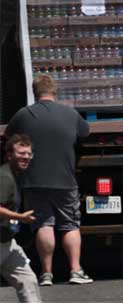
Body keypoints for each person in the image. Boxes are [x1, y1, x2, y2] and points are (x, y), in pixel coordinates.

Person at [4, 75, 92, 286]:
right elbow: (85, 132)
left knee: (43, 225)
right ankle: (75, 270)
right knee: (70, 225)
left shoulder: (24, 114)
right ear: (55, 92)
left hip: (34, 181)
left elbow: (9, 135)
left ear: (34, 93)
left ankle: (46, 274)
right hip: (65, 179)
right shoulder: (70, 114)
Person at [1, 134, 42, 302]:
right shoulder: (4, 177)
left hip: (7, 243)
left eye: (28, 154)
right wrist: (19, 217)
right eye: (21, 153)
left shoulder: (15, 175)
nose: (26, 157)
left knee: (28, 281)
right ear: (9, 155)